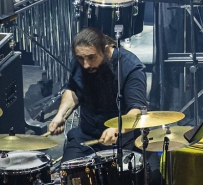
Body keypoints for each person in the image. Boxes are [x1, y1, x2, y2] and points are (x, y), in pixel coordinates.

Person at [48, 27, 147, 161]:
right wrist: (61, 115)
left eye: (91, 57)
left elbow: (136, 111)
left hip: (121, 141)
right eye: (81, 58)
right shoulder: (81, 62)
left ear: (105, 50)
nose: (86, 65)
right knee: (68, 175)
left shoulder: (131, 67)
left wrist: (117, 128)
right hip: (85, 138)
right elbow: (73, 90)